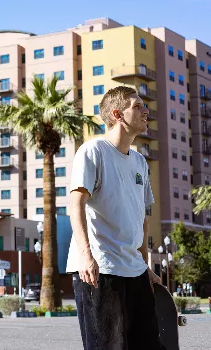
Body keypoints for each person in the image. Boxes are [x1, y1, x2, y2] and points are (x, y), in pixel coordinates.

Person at [66, 85, 165, 349]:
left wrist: (145, 267)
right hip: (100, 270)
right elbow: (76, 203)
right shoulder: (93, 151)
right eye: (138, 106)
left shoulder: (140, 162)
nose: (146, 111)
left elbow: (142, 217)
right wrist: (86, 256)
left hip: (134, 271)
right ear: (117, 114)